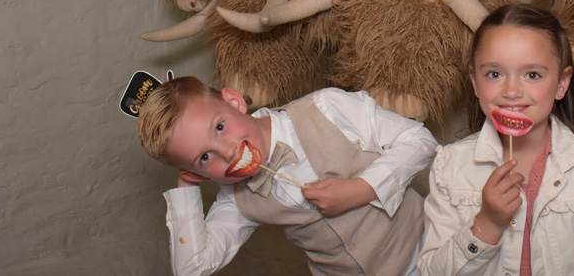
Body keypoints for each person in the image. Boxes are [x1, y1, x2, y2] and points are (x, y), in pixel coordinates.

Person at [136, 76, 438, 276]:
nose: (227, 152)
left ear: (234, 101)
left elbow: (420, 141)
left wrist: (363, 188)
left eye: (219, 127)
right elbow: (192, 268)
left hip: (430, 252)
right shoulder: (237, 200)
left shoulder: (324, 108)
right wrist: (186, 186)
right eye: (204, 157)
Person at [417, 4, 574, 275]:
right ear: (475, 81)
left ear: (561, 83)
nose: (511, 91)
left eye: (532, 75)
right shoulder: (449, 167)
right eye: (494, 74)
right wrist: (486, 225)